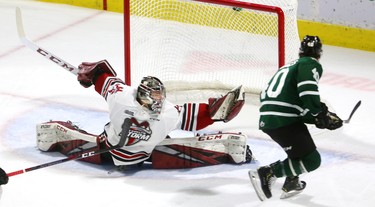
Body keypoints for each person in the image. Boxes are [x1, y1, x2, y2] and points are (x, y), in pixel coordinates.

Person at [36, 60, 252, 170]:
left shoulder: (120, 96)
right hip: (145, 156)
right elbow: (195, 118)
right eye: (155, 99)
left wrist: (92, 74)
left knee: (80, 138)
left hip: (107, 151)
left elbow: (101, 78)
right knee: (177, 147)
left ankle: (54, 135)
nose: (158, 102)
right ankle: (228, 149)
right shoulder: (169, 113)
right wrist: (216, 113)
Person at [248, 35, 343, 201]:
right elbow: (307, 91)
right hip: (284, 120)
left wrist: (318, 119)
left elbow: (293, 102)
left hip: (269, 117)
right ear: (319, 54)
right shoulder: (310, 63)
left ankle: (291, 181)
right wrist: (320, 114)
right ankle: (268, 173)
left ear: (300, 51)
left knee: (299, 151)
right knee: (312, 160)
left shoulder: (288, 66)